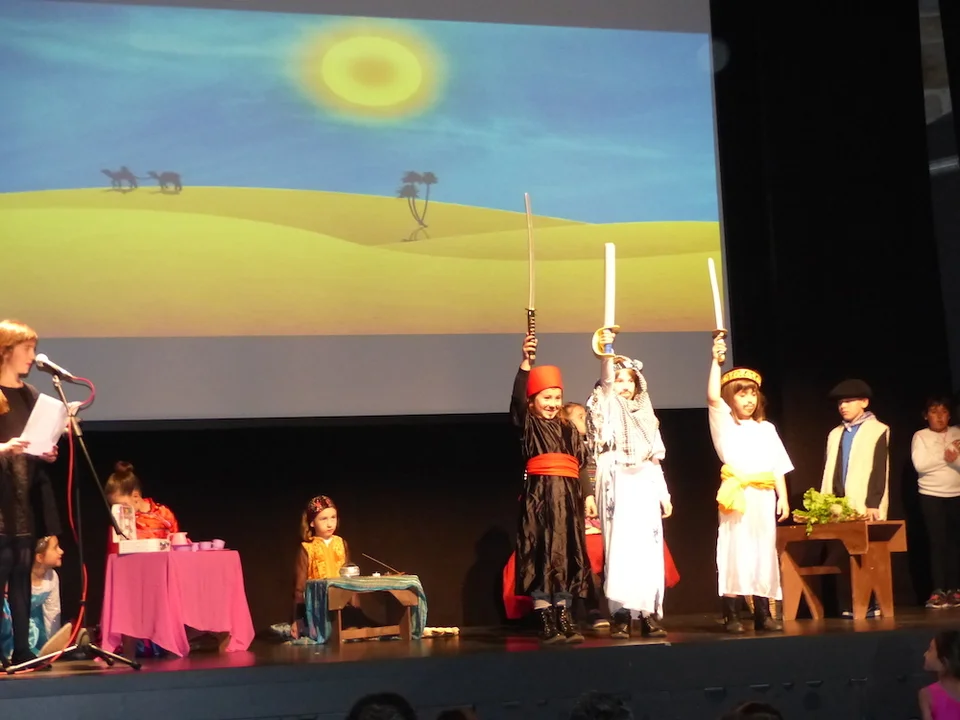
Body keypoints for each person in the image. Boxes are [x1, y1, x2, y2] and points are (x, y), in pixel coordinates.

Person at [585, 329, 672, 639]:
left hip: (643, 482)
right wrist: (607, 352)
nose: (624, 385)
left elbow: (655, 459)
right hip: (616, 480)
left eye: (630, 381)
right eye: (619, 379)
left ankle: (647, 614)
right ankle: (621, 614)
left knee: (647, 548)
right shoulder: (607, 407)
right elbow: (606, 383)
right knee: (620, 548)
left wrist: (664, 495)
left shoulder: (647, 416)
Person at [511, 333, 592, 644]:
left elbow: (580, 463)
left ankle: (564, 616)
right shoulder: (529, 425)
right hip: (540, 499)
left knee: (567, 554)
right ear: (533, 400)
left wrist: (588, 495)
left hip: (568, 500)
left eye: (557, 398)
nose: (553, 404)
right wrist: (526, 364)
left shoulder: (569, 428)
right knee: (542, 554)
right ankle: (546, 618)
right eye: (546, 398)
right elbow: (517, 402)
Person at [707, 335, 792, 633]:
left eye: (753, 394)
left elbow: (777, 465)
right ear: (731, 397)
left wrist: (783, 497)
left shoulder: (766, 428)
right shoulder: (725, 424)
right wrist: (715, 361)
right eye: (742, 394)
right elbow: (712, 398)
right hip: (738, 495)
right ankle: (732, 614)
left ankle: (763, 613)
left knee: (763, 550)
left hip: (763, 496)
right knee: (735, 548)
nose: (749, 400)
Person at [0, 319, 61, 666]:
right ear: (6, 350)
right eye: (27, 349)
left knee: (22, 577)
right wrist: (3, 448)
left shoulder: (31, 396)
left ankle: (22, 650)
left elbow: (35, 443)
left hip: (22, 500)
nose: (32, 356)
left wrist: (46, 452)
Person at [820, 378, 890, 618]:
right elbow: (831, 468)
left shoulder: (877, 430)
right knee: (843, 554)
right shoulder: (835, 433)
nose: (843, 406)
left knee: (867, 555)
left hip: (864, 503)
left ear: (864, 402)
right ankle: (851, 603)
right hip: (839, 505)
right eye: (841, 402)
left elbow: (879, 469)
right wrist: (827, 501)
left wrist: (873, 503)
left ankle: (871, 603)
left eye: (849, 401)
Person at [912, 396, 960, 609]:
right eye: (934, 411)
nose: (939, 417)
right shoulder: (921, 436)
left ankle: (955, 589)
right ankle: (938, 590)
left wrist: (953, 458)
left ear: (949, 415)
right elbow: (921, 465)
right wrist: (947, 455)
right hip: (931, 494)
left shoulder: (958, 433)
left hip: (957, 493)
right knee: (937, 542)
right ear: (926, 416)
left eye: (943, 412)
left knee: (955, 543)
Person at [291, 495, 349, 639]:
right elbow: (300, 587)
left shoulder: (341, 543)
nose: (330, 524)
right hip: (317, 608)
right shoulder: (307, 548)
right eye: (323, 519)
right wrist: (298, 618)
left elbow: (349, 579)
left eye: (333, 517)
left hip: (342, 605)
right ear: (312, 522)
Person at [0, 535, 65, 661]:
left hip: (30, 623)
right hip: (8, 621)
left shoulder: (52, 577)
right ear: (40, 557)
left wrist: (54, 643)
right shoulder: (13, 576)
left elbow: (52, 612)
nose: (61, 551)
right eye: (55, 548)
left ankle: (24, 651)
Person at [105, 461, 179, 553]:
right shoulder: (118, 521)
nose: (118, 509)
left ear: (135, 496)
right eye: (114, 505)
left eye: (122, 504)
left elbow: (177, 544)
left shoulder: (163, 513)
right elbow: (113, 554)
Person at [919, 630, 960, 720]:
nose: (925, 654)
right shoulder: (926, 694)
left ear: (944, 661)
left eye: (930, 650)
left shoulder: (927, 694)